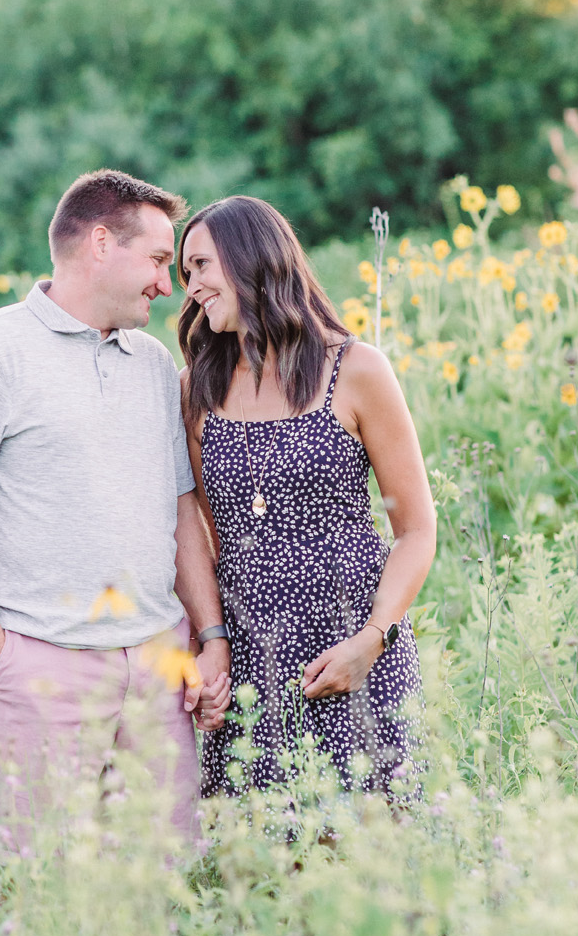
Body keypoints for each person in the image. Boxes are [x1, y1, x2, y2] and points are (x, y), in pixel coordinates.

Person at [0, 170, 232, 849]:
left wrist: (209, 638)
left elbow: (181, 514)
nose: (166, 283)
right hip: (44, 670)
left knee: (160, 882)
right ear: (98, 244)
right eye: (155, 259)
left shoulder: (153, 365)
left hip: (159, 672)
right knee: (45, 890)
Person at [177, 196, 434, 811]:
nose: (192, 288)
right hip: (252, 660)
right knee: (268, 870)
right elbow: (207, 533)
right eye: (186, 273)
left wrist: (373, 638)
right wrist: (211, 640)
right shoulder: (197, 387)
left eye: (202, 266)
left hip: (354, 650)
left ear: (251, 259)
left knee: (370, 849)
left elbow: (418, 530)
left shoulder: (357, 369)